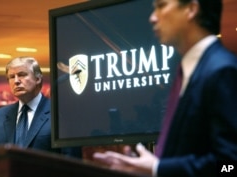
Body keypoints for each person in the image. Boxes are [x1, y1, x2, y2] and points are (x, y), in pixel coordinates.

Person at [93, 0, 237, 176]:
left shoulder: (222, 70)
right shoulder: (185, 71)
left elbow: (230, 166)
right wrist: (151, 167)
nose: (152, 18)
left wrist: (158, 168)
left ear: (191, 9)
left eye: (161, 6)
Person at [0, 56, 82, 158]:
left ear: (37, 78)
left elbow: (72, 161)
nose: (16, 81)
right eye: (11, 77)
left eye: (22, 75)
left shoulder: (60, 113)